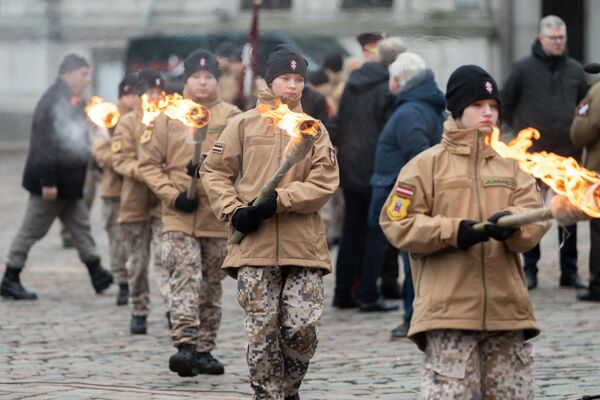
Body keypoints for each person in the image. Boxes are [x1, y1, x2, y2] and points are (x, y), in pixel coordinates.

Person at [380, 65, 549, 398]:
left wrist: (512, 223)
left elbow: (534, 222)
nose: (488, 112)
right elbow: (396, 223)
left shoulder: (513, 164)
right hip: (448, 315)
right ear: (457, 110)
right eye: (477, 104)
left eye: (493, 105)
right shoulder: (424, 165)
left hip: (507, 314)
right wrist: (453, 231)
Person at [200, 44, 339, 400]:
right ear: (269, 80)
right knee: (262, 332)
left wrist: (281, 200)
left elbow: (325, 181)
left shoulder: (314, 130)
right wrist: (235, 211)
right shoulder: (242, 124)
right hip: (255, 245)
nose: (292, 86)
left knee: (302, 327)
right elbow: (213, 172)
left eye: (297, 80)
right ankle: (267, 394)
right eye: (284, 78)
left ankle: (288, 389)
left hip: (303, 245)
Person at [138, 49, 242, 376]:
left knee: (211, 285)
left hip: (216, 217)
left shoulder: (232, 116)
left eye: (208, 76)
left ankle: (204, 349)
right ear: (186, 80)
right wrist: (173, 195)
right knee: (184, 276)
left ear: (217, 79)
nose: (202, 82)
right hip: (178, 215)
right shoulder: (168, 116)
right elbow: (149, 165)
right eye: (196, 77)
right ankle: (185, 343)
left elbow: (243, 165)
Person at [1, 54, 113, 300]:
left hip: (69, 184)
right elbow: (46, 145)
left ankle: (97, 272)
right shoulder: (53, 101)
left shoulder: (73, 100)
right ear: (69, 74)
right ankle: (10, 277)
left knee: (80, 227)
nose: (87, 79)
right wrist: (48, 182)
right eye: (84, 74)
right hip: (51, 185)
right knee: (31, 230)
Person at [501, 15, 588, 290]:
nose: (558, 42)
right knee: (531, 212)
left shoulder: (575, 70)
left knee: (569, 213)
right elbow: (505, 101)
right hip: (533, 155)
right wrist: (516, 134)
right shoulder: (522, 69)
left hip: (568, 154)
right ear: (541, 38)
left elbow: (584, 107)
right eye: (553, 38)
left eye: (561, 38)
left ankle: (569, 270)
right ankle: (530, 269)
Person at [359, 52, 445, 321]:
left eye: (392, 78)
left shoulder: (410, 111)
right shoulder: (414, 106)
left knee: (410, 254)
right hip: (392, 186)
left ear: (399, 80)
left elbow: (419, 156)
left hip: (398, 191)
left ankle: (411, 315)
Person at [331, 36, 405, 308]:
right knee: (376, 231)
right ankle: (370, 293)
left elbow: (339, 123)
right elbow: (389, 129)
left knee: (351, 231)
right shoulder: (387, 86)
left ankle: (343, 292)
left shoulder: (352, 83)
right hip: (376, 166)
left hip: (351, 165)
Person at [111, 69, 166, 334]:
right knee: (138, 261)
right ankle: (139, 309)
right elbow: (119, 159)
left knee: (167, 258)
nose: (153, 97)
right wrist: (146, 171)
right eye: (148, 93)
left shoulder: (170, 120)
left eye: (158, 92)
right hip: (134, 201)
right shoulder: (128, 123)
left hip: (163, 201)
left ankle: (172, 308)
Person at [92, 73, 140, 306]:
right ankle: (122, 281)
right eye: (129, 94)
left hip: (140, 188)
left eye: (135, 93)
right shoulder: (107, 119)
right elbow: (100, 153)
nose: (133, 99)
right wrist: (123, 158)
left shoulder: (145, 117)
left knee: (138, 240)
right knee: (116, 239)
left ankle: (137, 281)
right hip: (115, 190)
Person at [570, 66, 600, 302]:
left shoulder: (598, 92)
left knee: (598, 229)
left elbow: (581, 133)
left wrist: (581, 111)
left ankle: (598, 284)